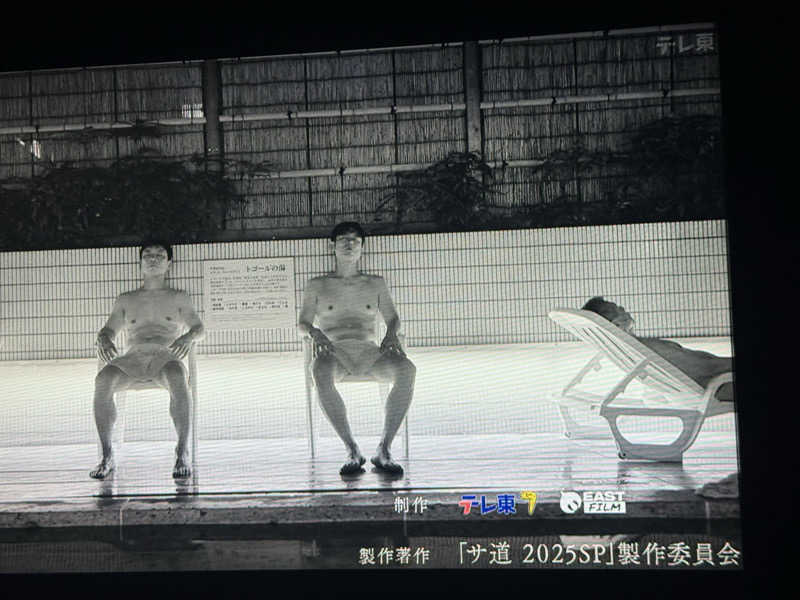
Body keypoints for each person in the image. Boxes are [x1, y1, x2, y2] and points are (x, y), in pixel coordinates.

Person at [298, 222, 416, 475]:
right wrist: (316, 332)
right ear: (332, 246)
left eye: (355, 240)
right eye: (343, 239)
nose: (349, 244)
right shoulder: (318, 284)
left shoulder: (375, 283)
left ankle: (384, 449)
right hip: (334, 351)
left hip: (369, 352)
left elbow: (393, 318)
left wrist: (391, 335)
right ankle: (352, 449)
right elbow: (303, 323)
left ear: (362, 247)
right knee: (319, 370)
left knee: (407, 369)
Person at [90, 241, 205, 479]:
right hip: (133, 357)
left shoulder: (178, 297)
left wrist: (188, 337)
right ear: (140, 262)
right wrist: (104, 338)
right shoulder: (126, 299)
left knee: (176, 375)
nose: (153, 259)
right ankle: (107, 455)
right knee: (103, 380)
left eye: (160, 255)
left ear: (169, 264)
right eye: (148, 255)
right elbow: (109, 329)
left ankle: (182, 451)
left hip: (164, 357)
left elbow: (199, 328)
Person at [581, 296, 733, 400]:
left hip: (708, 383)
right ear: (616, 324)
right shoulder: (647, 348)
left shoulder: (632, 350)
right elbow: (706, 367)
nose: (622, 308)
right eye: (616, 309)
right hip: (718, 387)